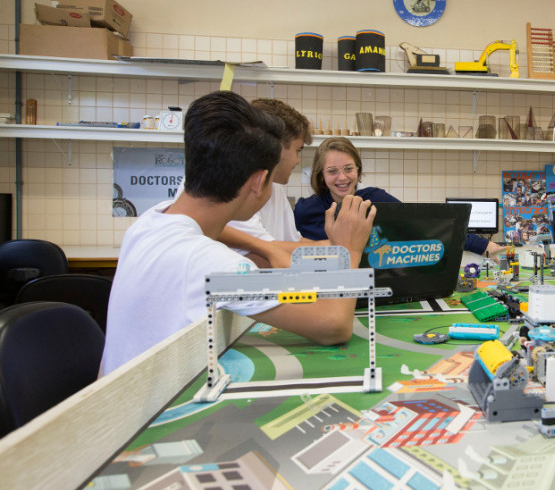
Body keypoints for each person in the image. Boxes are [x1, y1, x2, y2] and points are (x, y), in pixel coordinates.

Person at [100, 91, 375, 375]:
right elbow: (333, 327)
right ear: (258, 182)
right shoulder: (214, 264)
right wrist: (348, 250)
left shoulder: (150, 222)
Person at [293, 136, 505, 257]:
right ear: (320, 175)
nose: (342, 177)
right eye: (332, 171)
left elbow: (425, 225)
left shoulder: (376, 199)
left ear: (358, 169)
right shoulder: (305, 210)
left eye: (348, 169)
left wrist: (481, 245)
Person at [216, 98, 319, 268]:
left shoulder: (275, 185)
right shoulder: (230, 181)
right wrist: (339, 251)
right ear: (276, 147)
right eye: (297, 150)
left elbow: (289, 242)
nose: (297, 161)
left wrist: (335, 247)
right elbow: (260, 257)